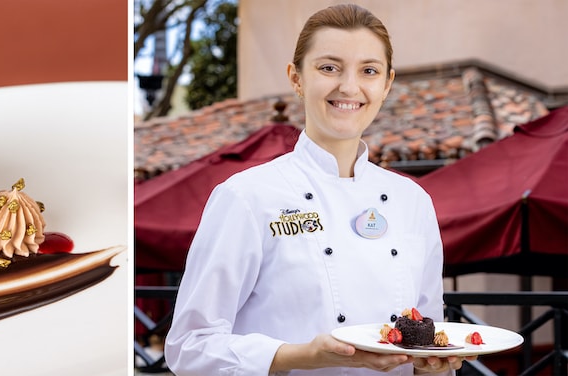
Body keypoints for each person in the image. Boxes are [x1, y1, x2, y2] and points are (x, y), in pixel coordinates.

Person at [164, 4, 474, 375]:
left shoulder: (414, 202)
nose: (348, 86)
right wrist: (301, 357)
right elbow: (189, 347)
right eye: (329, 68)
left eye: (369, 71)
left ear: (387, 84)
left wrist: (435, 367)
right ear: (296, 78)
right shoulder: (247, 197)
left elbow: (429, 342)